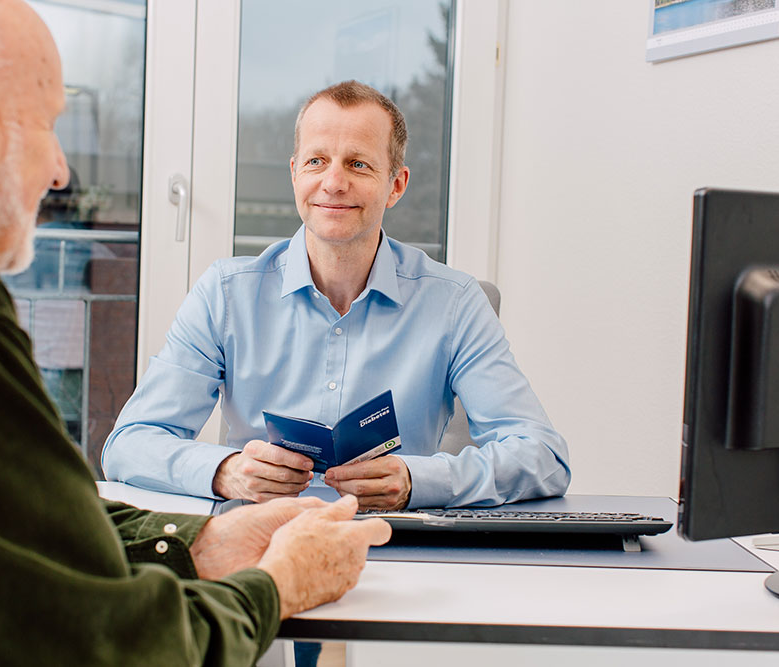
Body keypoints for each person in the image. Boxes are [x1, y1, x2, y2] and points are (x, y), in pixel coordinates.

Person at [0, 1, 390, 664]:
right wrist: (276, 585)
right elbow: (110, 648)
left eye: (359, 164)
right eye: (49, 126)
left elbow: (9, 519)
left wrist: (195, 540)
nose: (60, 171)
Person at [103, 80, 571, 511]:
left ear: (396, 185)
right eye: (316, 161)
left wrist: (416, 479)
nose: (333, 182)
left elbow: (543, 455)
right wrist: (224, 472)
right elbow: (129, 444)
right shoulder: (225, 294)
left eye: (358, 163)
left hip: (397, 547)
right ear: (294, 175)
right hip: (256, 540)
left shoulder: (455, 303)